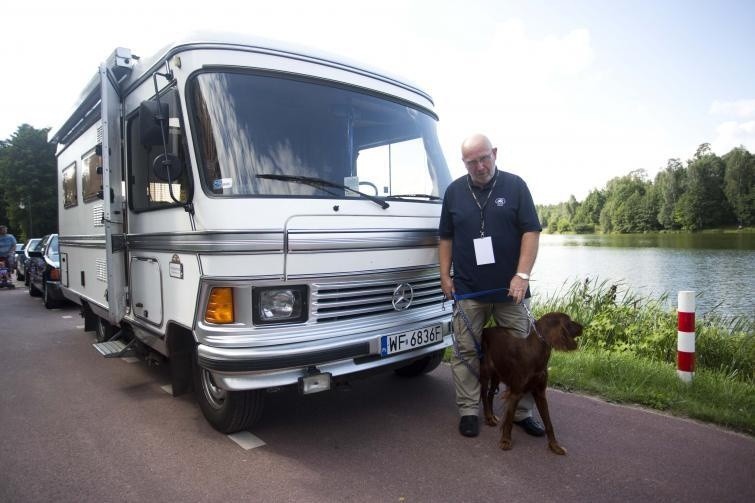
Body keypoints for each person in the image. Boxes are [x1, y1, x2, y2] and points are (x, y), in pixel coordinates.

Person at [438, 133, 544, 438]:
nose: (480, 166)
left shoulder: (516, 186)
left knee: (522, 353)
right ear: (464, 163)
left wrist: (521, 275)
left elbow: (531, 232)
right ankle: (469, 411)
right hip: (468, 289)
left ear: (495, 153)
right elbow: (445, 237)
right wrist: (445, 276)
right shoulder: (454, 192)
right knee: (465, 352)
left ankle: (522, 412)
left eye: (484, 158)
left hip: (512, 291)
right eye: (472, 161)